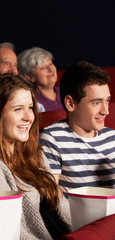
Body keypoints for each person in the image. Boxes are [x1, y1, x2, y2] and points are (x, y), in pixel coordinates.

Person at [0, 74, 72, 239]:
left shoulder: (35, 155)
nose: (28, 117)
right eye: (18, 109)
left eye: (30, 107)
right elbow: (9, 232)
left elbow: (63, 209)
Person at [39, 61, 115, 194]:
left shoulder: (112, 137)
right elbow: (51, 200)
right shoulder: (52, 139)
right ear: (70, 103)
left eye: (107, 101)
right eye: (96, 102)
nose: (106, 111)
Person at [18, 47, 63, 112]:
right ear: (30, 77)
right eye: (43, 68)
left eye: (50, 64)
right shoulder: (30, 102)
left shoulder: (68, 92)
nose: (50, 70)